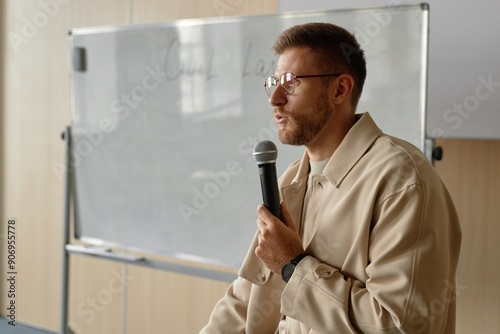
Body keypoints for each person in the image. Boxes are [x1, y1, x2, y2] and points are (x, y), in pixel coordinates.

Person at [201, 22, 461, 333]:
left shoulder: (401, 180)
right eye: (274, 82)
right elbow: (246, 299)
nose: (275, 99)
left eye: (291, 82)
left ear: (339, 89)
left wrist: (293, 266)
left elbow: (398, 325)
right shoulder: (290, 180)